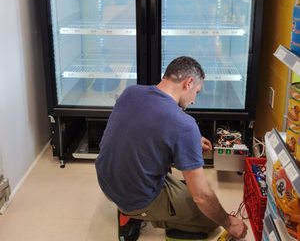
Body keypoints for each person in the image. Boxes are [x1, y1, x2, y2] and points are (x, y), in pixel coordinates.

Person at [95, 56, 248, 240]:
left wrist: (193, 140)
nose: (194, 100)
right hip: (135, 199)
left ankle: (131, 208)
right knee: (210, 217)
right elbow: (202, 197)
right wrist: (230, 223)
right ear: (189, 83)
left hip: (107, 183)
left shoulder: (131, 92)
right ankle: (138, 214)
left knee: (193, 193)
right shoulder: (185, 125)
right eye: (197, 92)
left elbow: (149, 125)